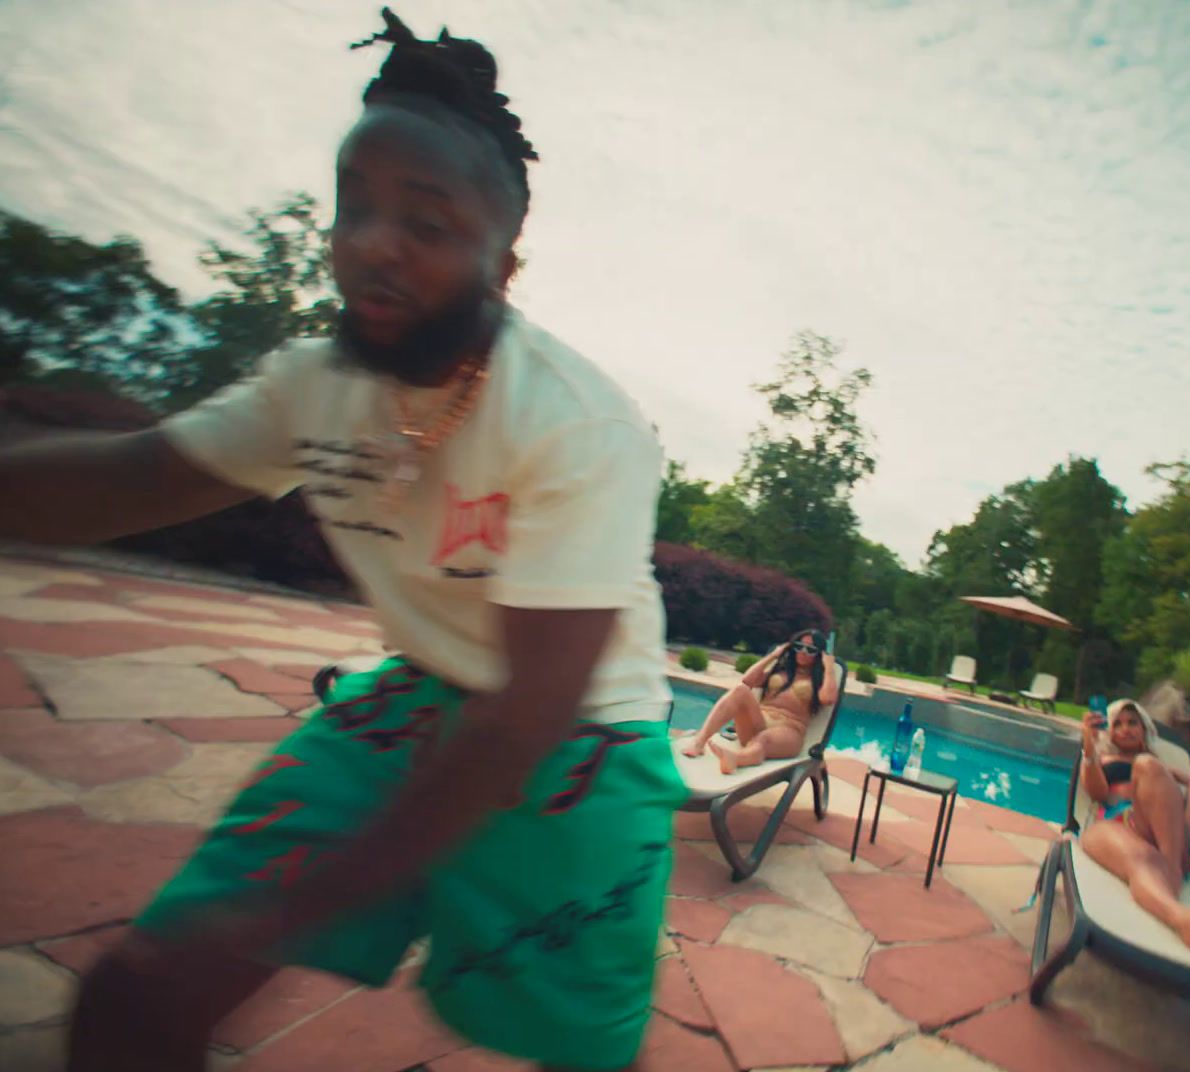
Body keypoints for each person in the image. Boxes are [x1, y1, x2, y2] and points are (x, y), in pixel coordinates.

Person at [0, 11, 683, 1072]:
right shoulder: (313, 388)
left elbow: (524, 718)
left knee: (580, 1057)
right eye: (352, 207)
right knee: (138, 993)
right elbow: (142, 474)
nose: (374, 241)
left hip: (578, 737)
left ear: (504, 259)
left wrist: (294, 907)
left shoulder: (576, 422)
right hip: (414, 696)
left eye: (425, 219)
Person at [1078, 699, 1190, 950]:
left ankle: (1170, 875)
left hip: (1164, 841)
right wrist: (1089, 748)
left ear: (1144, 729)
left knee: (1147, 765)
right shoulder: (1103, 759)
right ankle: (1183, 917)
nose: (1125, 729)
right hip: (1118, 826)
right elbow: (1097, 794)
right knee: (1141, 859)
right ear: (1110, 732)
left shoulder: (1159, 770)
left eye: (1132, 723)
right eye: (1117, 724)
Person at [680, 628, 839, 774]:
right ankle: (700, 742)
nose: (803, 652)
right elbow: (747, 680)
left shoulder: (820, 680)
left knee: (762, 739)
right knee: (740, 690)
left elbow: (828, 698)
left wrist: (829, 668)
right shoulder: (781, 670)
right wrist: (773, 655)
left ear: (819, 654)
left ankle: (736, 759)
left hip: (789, 731)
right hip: (759, 722)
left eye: (810, 650)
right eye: (799, 646)